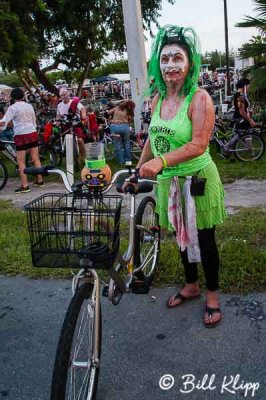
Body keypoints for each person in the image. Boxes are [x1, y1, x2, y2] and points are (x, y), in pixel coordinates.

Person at [126, 25, 226, 327]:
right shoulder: (157, 99)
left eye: (177, 58)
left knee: (204, 239)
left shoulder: (199, 98)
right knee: (181, 238)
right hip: (169, 181)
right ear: (158, 63)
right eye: (165, 59)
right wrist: (138, 168)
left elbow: (198, 144)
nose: (170, 65)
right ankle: (191, 284)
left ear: (190, 62)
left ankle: (211, 294)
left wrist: (161, 161)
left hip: (197, 180)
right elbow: (152, 140)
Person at [0, 88, 43, 193]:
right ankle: (40, 180)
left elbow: (4, 122)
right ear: (23, 96)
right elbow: (34, 120)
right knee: (35, 158)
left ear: (13, 97)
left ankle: (25, 185)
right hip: (32, 132)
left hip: (21, 134)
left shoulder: (12, 108)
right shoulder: (29, 106)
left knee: (21, 161)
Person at [56, 88, 88, 165]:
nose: (63, 96)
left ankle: (83, 156)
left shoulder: (74, 102)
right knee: (67, 141)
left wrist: (83, 115)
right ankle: (72, 158)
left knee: (80, 140)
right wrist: (57, 121)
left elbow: (83, 109)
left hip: (76, 124)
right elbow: (58, 115)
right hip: (66, 125)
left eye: (64, 94)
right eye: (61, 95)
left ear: (68, 94)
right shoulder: (59, 105)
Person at [107, 100, 135, 165]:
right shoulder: (129, 111)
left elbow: (108, 112)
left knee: (118, 145)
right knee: (127, 144)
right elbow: (130, 120)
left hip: (114, 127)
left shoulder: (117, 107)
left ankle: (121, 162)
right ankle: (128, 161)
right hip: (125, 126)